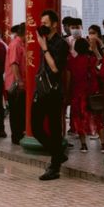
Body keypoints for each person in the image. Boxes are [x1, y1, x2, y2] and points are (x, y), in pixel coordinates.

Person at [33, 10, 68, 180]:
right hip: (41, 89)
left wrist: (45, 48)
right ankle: (58, 153)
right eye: (41, 23)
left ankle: (54, 167)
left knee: (55, 129)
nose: (42, 26)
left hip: (53, 90)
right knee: (36, 127)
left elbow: (55, 69)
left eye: (45, 23)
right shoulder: (44, 40)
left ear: (55, 24)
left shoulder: (61, 44)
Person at [67, 37, 102, 153]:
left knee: (79, 119)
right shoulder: (91, 59)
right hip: (91, 93)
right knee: (97, 118)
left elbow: (69, 77)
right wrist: (96, 48)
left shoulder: (72, 61)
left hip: (77, 94)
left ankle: (83, 145)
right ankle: (103, 143)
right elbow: (100, 61)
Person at [4, 23, 26, 144]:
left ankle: (20, 133)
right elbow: (14, 63)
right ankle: (16, 136)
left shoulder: (22, 44)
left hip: (20, 83)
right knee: (16, 111)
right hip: (15, 84)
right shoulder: (15, 44)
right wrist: (19, 81)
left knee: (21, 111)